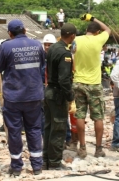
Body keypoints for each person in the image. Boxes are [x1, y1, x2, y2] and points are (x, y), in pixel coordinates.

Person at [0, 19, 44, 176]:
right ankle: (37, 166)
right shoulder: (37, 45)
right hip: (34, 96)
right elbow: (41, 66)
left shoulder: (6, 46)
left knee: (14, 131)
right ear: (25, 30)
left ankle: (16, 166)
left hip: (13, 97)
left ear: (10, 33)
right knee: (34, 129)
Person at [72, 14, 111, 158]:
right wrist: (93, 18)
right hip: (94, 84)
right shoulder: (99, 39)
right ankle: (98, 149)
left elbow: (72, 55)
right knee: (98, 117)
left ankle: (82, 148)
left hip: (78, 82)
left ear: (87, 30)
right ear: (97, 32)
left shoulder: (76, 39)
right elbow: (108, 29)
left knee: (80, 115)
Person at [43, 23, 76, 170]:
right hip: (57, 95)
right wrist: (70, 97)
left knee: (48, 127)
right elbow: (64, 79)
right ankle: (55, 162)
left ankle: (45, 160)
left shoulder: (53, 48)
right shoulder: (65, 53)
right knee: (58, 128)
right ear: (72, 36)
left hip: (49, 91)